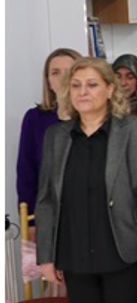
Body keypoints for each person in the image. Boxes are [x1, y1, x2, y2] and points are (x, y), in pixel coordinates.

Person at [36, 57, 137, 303]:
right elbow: (47, 199)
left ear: (110, 89)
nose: (83, 92)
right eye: (76, 86)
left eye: (92, 85)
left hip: (123, 253)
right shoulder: (56, 137)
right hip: (75, 255)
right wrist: (46, 256)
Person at [17, 49, 80, 222]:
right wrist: (30, 222)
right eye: (55, 73)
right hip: (49, 213)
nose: (63, 78)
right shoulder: (35, 118)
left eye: (69, 71)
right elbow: (26, 172)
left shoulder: (93, 117)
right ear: (48, 81)